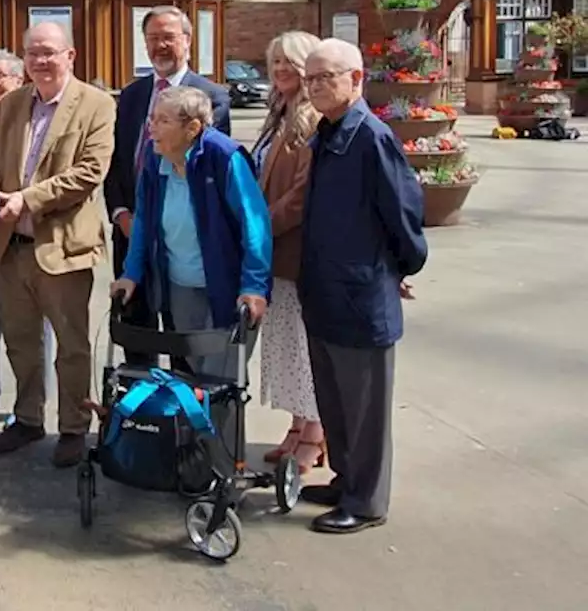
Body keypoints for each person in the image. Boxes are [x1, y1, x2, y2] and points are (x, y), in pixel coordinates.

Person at [298, 38, 427, 534]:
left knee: (364, 408)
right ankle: (345, 478)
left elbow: (403, 214)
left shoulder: (371, 137)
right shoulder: (328, 133)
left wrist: (399, 269)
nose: (315, 87)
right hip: (324, 291)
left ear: (356, 79)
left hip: (361, 293)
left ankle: (367, 500)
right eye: (311, 78)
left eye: (326, 77)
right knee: (334, 400)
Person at [0, 21, 115, 468]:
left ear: (70, 56)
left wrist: (25, 199)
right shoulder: (12, 104)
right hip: (10, 249)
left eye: (49, 52)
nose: (40, 61)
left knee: (72, 346)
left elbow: (89, 172)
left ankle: (74, 427)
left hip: (63, 248)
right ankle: (28, 417)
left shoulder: (95, 104)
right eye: (32, 53)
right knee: (20, 342)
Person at [109, 86, 271, 381]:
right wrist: (131, 273)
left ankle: (219, 429)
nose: (152, 129)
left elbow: (255, 225)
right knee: (195, 374)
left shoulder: (224, 157)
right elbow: (144, 220)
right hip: (179, 286)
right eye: (152, 120)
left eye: (163, 121)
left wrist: (255, 286)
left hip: (225, 286)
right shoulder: (155, 155)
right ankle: (195, 429)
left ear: (193, 127)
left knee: (222, 379)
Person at [106, 6, 230, 281]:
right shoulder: (131, 96)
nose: (160, 45)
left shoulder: (211, 97)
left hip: (185, 237)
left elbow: (207, 169)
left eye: (168, 37)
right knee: (132, 319)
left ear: (187, 40)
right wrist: (121, 214)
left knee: (181, 321)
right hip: (130, 231)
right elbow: (116, 162)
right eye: (152, 38)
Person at [251, 31, 326, 471]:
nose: (281, 70)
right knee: (286, 347)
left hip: (294, 250)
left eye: (290, 62)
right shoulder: (280, 113)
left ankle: (315, 433)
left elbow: (301, 196)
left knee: (303, 347)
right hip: (274, 253)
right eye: (275, 61)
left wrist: (261, 226)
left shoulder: (312, 117)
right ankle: (298, 424)